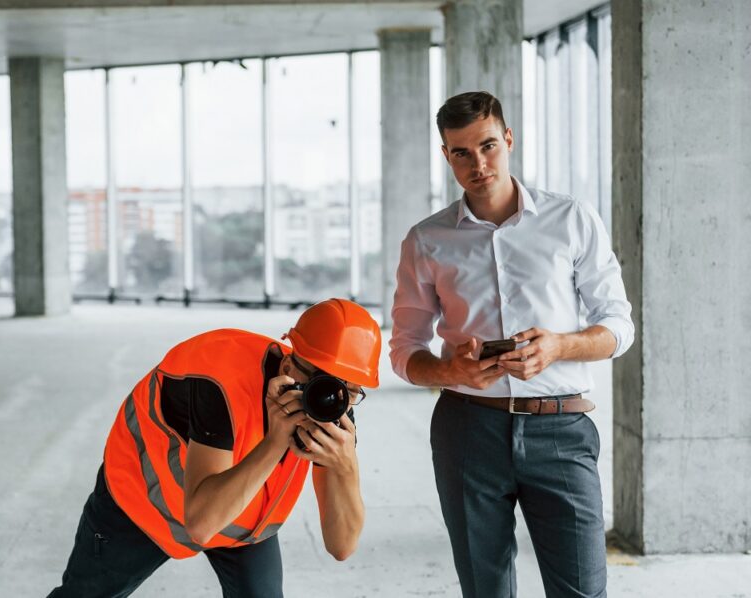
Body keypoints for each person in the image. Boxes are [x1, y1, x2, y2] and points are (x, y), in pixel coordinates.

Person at [389, 91, 634, 598]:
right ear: (446, 155)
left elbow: (619, 326)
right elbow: (404, 349)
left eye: (488, 146)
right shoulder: (426, 240)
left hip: (561, 428)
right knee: (486, 589)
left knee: (584, 589)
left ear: (508, 139)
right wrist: (449, 371)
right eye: (461, 153)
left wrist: (560, 347)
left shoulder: (572, 219)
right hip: (468, 430)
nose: (478, 164)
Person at [47, 298, 381, 597]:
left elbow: (342, 546)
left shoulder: (333, 405)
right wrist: (276, 441)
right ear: (290, 365)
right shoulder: (219, 381)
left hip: (240, 515)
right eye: (323, 381)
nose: (331, 398)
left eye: (350, 390)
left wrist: (345, 464)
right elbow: (203, 523)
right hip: (141, 500)